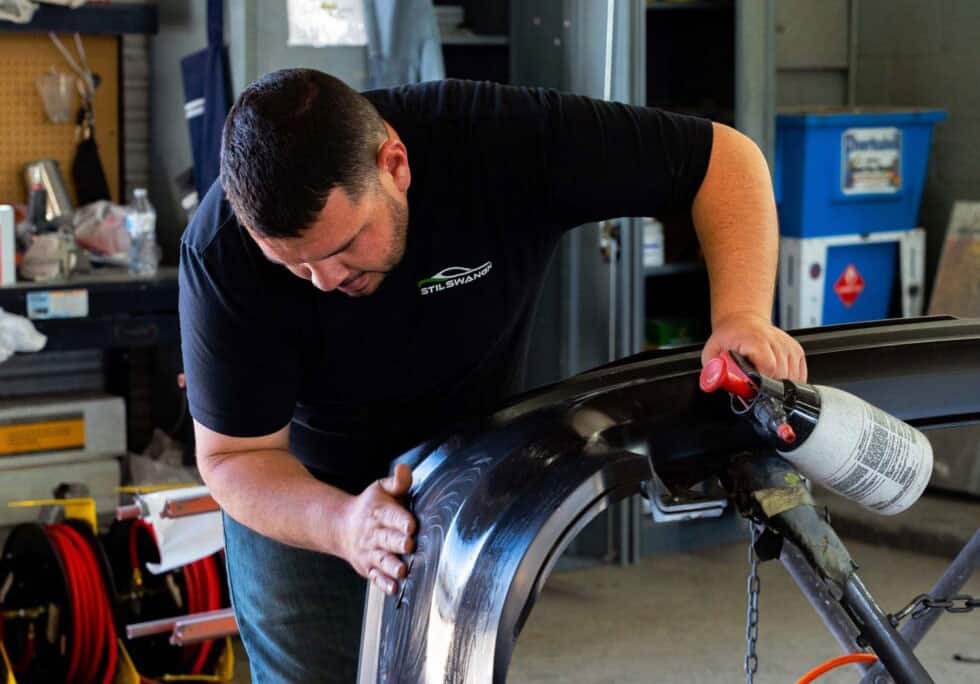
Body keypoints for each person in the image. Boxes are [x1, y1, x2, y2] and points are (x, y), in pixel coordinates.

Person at [178, 68, 807, 681]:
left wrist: (743, 316)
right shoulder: (220, 252)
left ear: (394, 165)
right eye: (295, 265)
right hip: (305, 497)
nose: (325, 281)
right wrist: (343, 525)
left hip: (471, 476)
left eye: (344, 247)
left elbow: (725, 162)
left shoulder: (497, 140)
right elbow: (235, 457)